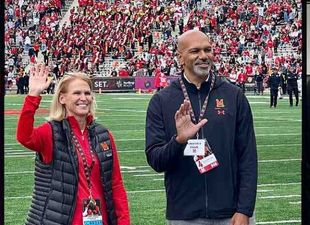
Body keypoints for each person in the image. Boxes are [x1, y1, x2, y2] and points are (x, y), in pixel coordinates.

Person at [145, 30, 257, 225]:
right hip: (184, 215)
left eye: (208, 50)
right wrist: (179, 141)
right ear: (180, 57)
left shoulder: (234, 96)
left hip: (231, 214)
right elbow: (156, 161)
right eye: (195, 51)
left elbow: (248, 156)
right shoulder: (161, 101)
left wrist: (244, 210)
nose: (203, 56)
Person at [16, 63, 130, 225]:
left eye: (87, 93)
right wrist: (33, 95)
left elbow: (116, 184)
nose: (83, 98)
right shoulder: (51, 132)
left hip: (98, 219)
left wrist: (124, 221)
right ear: (62, 98)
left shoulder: (103, 135)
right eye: (77, 93)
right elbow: (24, 136)